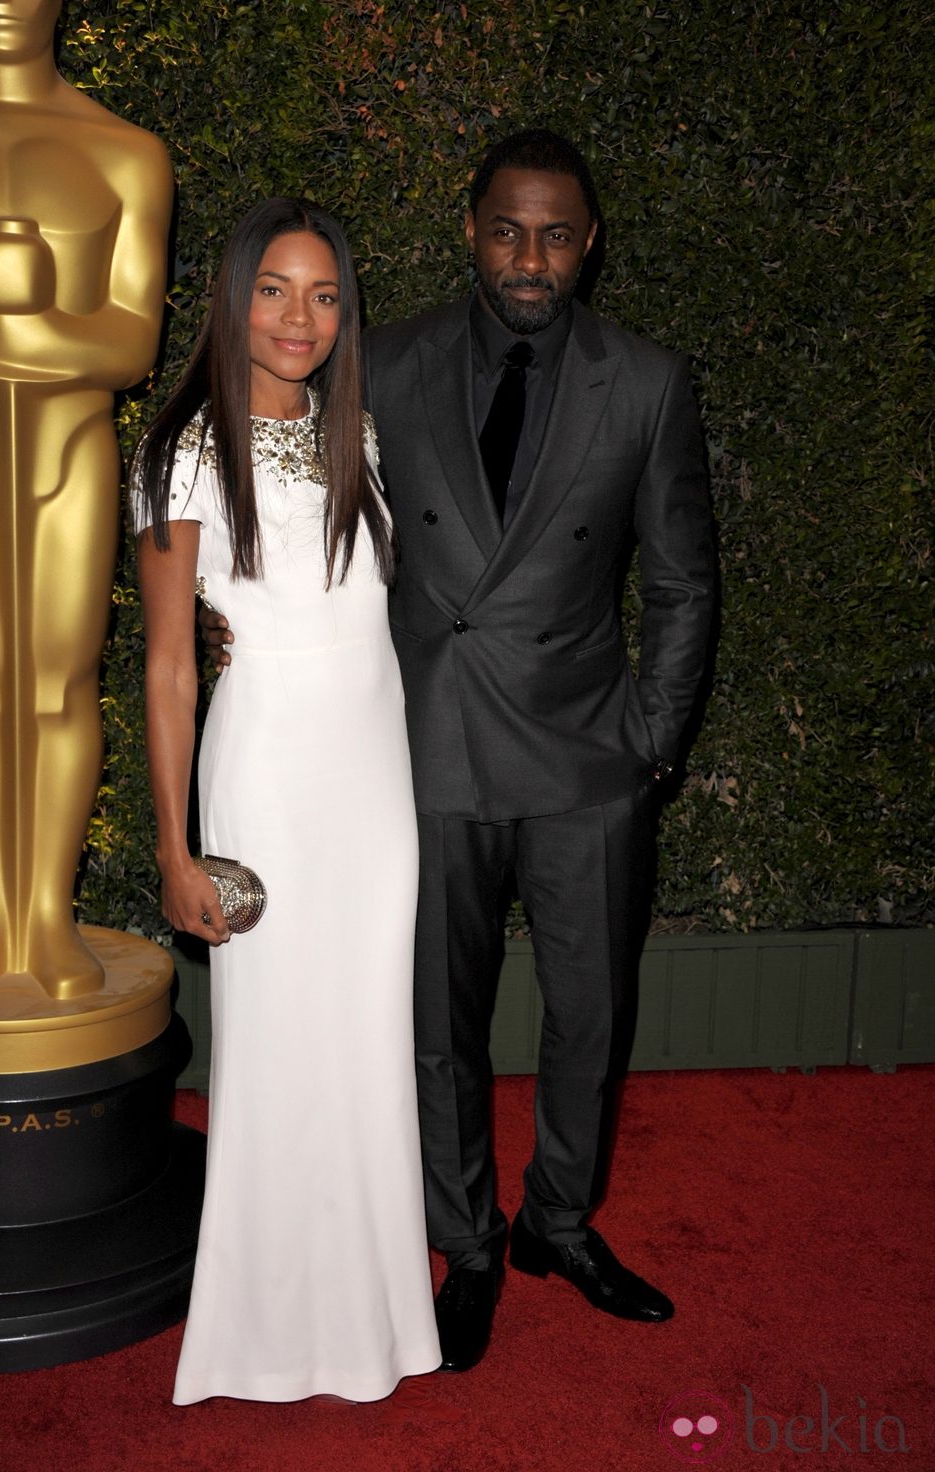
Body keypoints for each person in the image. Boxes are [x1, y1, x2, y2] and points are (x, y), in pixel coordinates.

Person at [203, 131, 716, 1373]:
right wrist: (243, 617)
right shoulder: (390, 365)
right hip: (424, 751)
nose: (528, 256)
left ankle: (557, 1221)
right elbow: (295, 504)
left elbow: (683, 584)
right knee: (439, 1020)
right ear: (470, 230)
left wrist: (647, 742)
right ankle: (468, 1242)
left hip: (586, 755)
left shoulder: (644, 382)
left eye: (554, 234)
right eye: (505, 229)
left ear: (588, 243)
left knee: (588, 1014)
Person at [133, 198, 441, 1403]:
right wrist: (175, 847)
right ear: (231, 298)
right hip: (263, 777)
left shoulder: (351, 436)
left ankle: (373, 1322)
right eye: (272, 290)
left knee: (363, 1048)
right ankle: (257, 1336)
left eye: (321, 294)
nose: (297, 317)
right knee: (269, 1056)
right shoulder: (184, 450)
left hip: (375, 787)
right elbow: (166, 663)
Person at [0, 0, 171, 998]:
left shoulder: (124, 154)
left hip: (69, 449)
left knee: (57, 682)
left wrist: (16, 325)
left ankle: (46, 912)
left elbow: (127, 345)